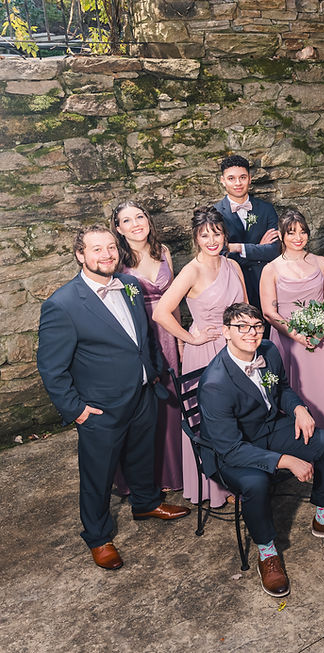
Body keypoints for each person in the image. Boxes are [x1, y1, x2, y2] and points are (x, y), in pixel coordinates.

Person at [37, 225, 189, 570]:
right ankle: (98, 536)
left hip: (142, 394)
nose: (106, 255)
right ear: (80, 255)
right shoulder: (62, 304)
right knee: (98, 475)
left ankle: (146, 503)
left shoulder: (130, 285)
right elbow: (51, 367)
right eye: (96, 249)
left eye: (110, 247)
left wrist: (153, 373)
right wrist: (76, 410)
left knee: (142, 455)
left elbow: (144, 337)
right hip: (99, 408)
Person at [197, 303, 324, 597]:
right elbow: (230, 449)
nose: (251, 333)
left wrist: (299, 408)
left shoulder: (268, 350)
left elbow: (283, 390)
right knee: (256, 482)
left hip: (267, 428)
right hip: (232, 452)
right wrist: (287, 460)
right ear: (226, 332)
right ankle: (267, 552)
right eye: (242, 327)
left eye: (256, 326)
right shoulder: (215, 383)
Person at [259, 209, 324, 478]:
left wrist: (320, 330)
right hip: (289, 345)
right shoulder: (271, 269)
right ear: (281, 235)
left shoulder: (321, 262)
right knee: (299, 395)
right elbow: (269, 312)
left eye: (303, 231)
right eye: (291, 232)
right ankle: (305, 457)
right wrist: (295, 334)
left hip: (322, 341)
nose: (298, 237)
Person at [154, 206, 246, 507]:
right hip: (206, 352)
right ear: (196, 238)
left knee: (241, 414)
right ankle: (218, 485)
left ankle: (244, 476)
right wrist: (190, 337)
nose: (212, 241)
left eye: (217, 234)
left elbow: (246, 309)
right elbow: (160, 312)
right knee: (214, 419)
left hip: (237, 349)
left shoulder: (233, 267)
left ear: (225, 235)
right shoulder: (191, 271)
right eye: (205, 235)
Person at [111, 201, 183, 493]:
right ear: (118, 228)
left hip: (168, 333)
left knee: (172, 402)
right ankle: (145, 479)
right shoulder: (117, 260)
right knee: (144, 407)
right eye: (127, 220)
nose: (136, 224)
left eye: (139, 217)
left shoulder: (163, 251)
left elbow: (174, 300)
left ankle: (174, 472)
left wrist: (180, 339)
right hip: (139, 338)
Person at [213, 155, 280, 308]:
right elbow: (219, 254)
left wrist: (238, 247)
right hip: (232, 284)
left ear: (250, 178)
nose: (238, 183)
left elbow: (275, 250)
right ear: (223, 180)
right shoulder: (214, 213)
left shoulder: (266, 209)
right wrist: (259, 249)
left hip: (265, 282)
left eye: (242, 177)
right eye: (231, 178)